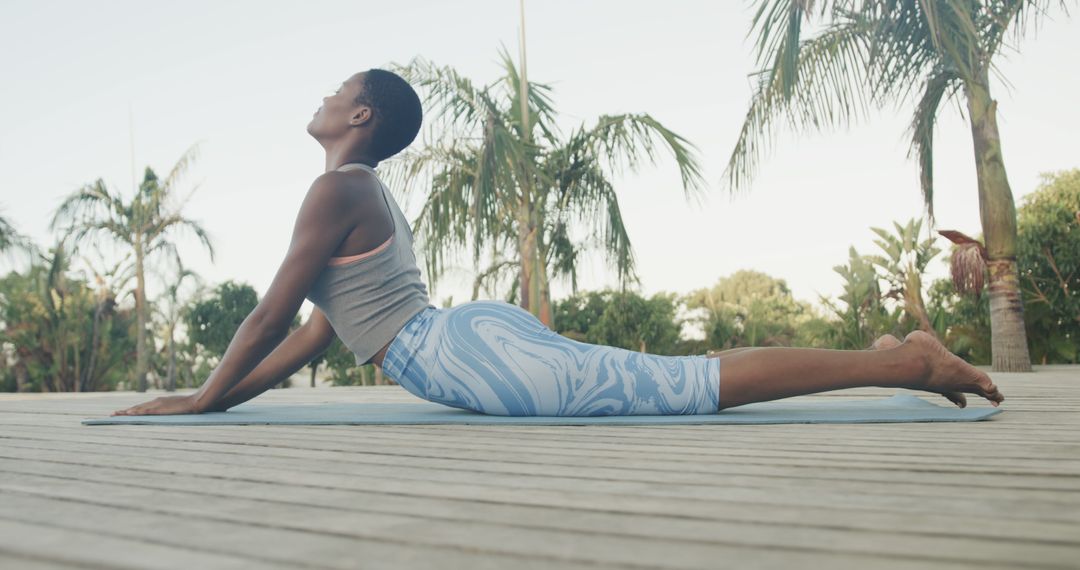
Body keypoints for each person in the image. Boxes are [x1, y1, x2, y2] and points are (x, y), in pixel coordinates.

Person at [112, 69, 1004, 417]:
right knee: (681, 381)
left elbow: (271, 314)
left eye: (332, 89)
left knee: (690, 386)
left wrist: (197, 402)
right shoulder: (354, 191)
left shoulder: (335, 188)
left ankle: (907, 363)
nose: (314, 97)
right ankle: (889, 355)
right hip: (465, 344)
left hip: (466, 352)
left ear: (360, 116)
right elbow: (313, 331)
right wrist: (217, 398)